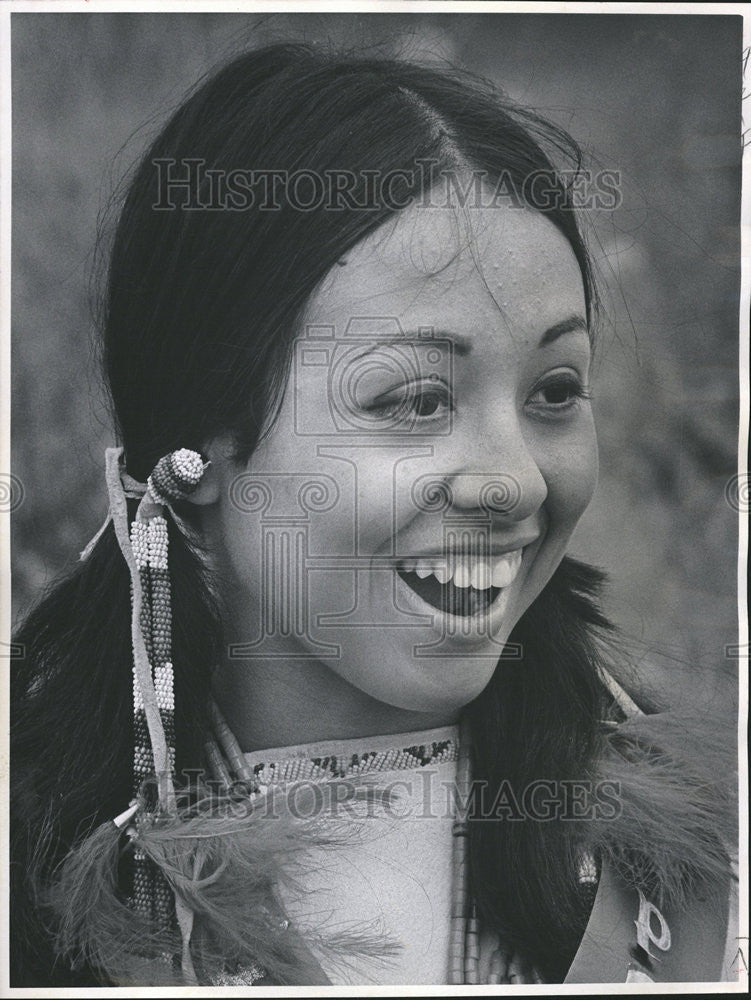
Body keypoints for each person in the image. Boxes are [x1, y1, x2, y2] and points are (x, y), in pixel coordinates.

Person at [10, 42, 737, 987]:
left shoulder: (687, 864)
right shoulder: (33, 875)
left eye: (555, 389)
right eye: (414, 400)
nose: (515, 482)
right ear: (191, 450)